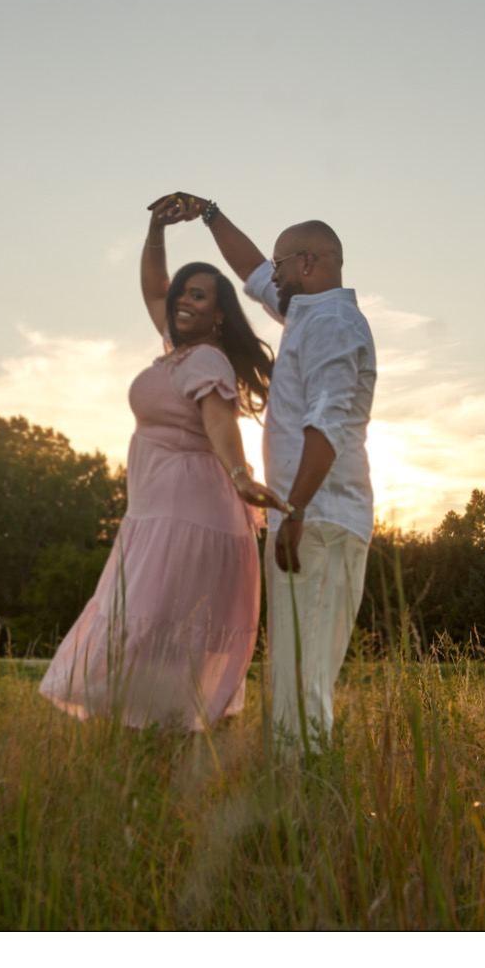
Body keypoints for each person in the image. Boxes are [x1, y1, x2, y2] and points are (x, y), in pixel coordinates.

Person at [38, 201, 288, 731]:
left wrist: (241, 478)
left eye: (198, 295)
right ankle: (156, 744)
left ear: (218, 314)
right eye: (183, 293)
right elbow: (155, 289)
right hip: (157, 511)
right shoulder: (178, 348)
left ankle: (168, 743)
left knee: (156, 630)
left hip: (187, 512)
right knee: (148, 630)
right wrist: (156, 228)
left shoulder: (207, 359)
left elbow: (221, 422)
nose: (182, 301)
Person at [150, 193, 377, 749]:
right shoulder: (307, 312)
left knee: (302, 679)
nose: (272, 275)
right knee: (294, 675)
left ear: (309, 263)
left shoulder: (332, 325)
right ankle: (296, 780)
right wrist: (208, 214)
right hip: (308, 517)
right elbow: (251, 270)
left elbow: (327, 426)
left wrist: (294, 512)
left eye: (281, 264)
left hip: (319, 520)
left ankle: (306, 788)